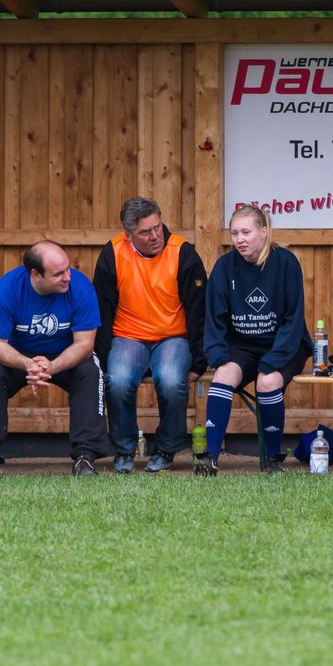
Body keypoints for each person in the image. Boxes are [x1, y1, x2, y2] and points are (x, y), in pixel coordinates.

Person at [0, 240, 110, 476]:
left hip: (65, 354)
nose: (68, 277)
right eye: (58, 274)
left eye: (67, 268)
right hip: (18, 355)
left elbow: (85, 344)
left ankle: (85, 459)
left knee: (91, 370)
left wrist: (52, 366)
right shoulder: (8, 290)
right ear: (36, 275)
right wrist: (28, 364)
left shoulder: (81, 287)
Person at [194, 205, 311, 476]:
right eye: (234, 233)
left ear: (264, 232)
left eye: (246, 232)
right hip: (243, 345)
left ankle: (273, 460)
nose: (240, 239)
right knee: (223, 375)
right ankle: (210, 458)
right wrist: (218, 355)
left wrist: (273, 359)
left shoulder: (286, 262)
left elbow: (293, 319)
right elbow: (214, 318)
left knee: (267, 379)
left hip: (285, 345)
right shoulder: (224, 267)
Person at [93, 197, 207, 474]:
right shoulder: (113, 253)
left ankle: (167, 449)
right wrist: (104, 356)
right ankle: (123, 449)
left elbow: (199, 310)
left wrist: (199, 361)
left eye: (158, 227)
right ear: (128, 233)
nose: (156, 236)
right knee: (117, 380)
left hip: (173, 337)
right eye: (145, 232)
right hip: (127, 336)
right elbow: (102, 310)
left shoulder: (183, 252)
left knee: (170, 380)